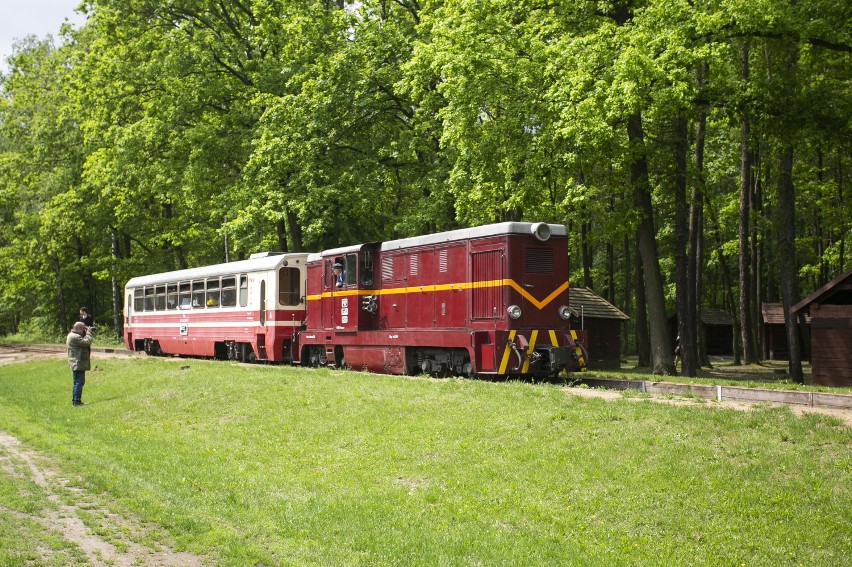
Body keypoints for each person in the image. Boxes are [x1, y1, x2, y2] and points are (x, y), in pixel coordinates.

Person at [66, 321, 94, 406]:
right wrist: (89, 334)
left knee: (77, 382)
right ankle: (77, 402)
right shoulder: (75, 337)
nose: (84, 330)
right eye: (83, 328)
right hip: (77, 362)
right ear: (78, 328)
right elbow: (87, 342)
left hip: (76, 362)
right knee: (79, 382)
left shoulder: (71, 335)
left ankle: (75, 401)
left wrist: (85, 333)